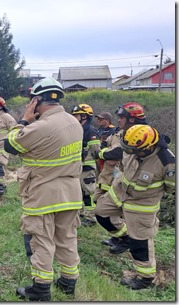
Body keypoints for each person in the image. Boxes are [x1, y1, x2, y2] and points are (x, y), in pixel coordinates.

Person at [4, 77, 83, 301]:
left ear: (37, 100)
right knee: (67, 238)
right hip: (70, 192)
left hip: (44, 193)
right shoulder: (73, 122)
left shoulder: (41, 126)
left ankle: (40, 289)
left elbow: (11, 144)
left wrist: (24, 120)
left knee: (42, 240)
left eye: (32, 101)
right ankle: (68, 282)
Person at [95, 124, 175, 290]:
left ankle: (146, 277)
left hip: (142, 203)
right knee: (101, 213)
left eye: (133, 150)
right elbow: (124, 166)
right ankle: (124, 238)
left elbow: (171, 186)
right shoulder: (131, 145)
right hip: (119, 192)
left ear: (148, 147)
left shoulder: (167, 162)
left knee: (140, 242)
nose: (129, 152)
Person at [96, 102, 147, 249]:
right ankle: (121, 238)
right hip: (120, 179)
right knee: (104, 210)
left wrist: (103, 153)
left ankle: (126, 240)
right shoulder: (121, 131)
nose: (118, 120)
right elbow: (105, 146)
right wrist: (104, 152)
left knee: (126, 217)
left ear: (131, 119)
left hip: (135, 186)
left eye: (121, 117)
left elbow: (117, 152)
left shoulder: (141, 134)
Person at [70, 103, 100, 227]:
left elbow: (96, 151)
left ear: (85, 117)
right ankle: (81, 213)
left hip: (87, 167)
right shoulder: (77, 129)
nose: (75, 118)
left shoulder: (90, 130)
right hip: (78, 166)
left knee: (88, 192)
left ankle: (91, 217)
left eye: (78, 115)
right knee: (79, 192)